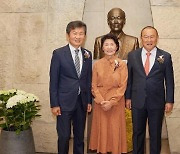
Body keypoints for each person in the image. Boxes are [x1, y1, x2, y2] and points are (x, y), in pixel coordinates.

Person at [125, 26, 174, 154]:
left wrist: (169, 100)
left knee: (155, 134)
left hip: (157, 102)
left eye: (152, 36)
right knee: (137, 133)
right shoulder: (132, 55)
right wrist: (128, 97)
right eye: (146, 36)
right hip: (137, 100)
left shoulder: (166, 57)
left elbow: (169, 81)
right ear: (141, 38)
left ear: (157, 38)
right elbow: (129, 79)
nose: (149, 39)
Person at [49, 20, 92, 154]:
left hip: (81, 102)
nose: (78, 36)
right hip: (63, 103)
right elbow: (53, 81)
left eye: (81, 33)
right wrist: (54, 104)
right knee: (64, 136)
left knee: (80, 137)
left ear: (84, 36)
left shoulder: (87, 54)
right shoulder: (58, 54)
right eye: (75, 33)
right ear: (68, 35)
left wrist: (89, 101)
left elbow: (88, 79)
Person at [89, 33, 128, 154]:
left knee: (115, 130)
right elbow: (93, 85)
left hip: (116, 103)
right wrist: (101, 101)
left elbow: (123, 86)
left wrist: (111, 102)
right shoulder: (97, 65)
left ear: (116, 47)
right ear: (102, 48)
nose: (109, 47)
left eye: (112, 44)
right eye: (106, 44)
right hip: (101, 103)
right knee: (103, 130)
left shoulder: (122, 64)